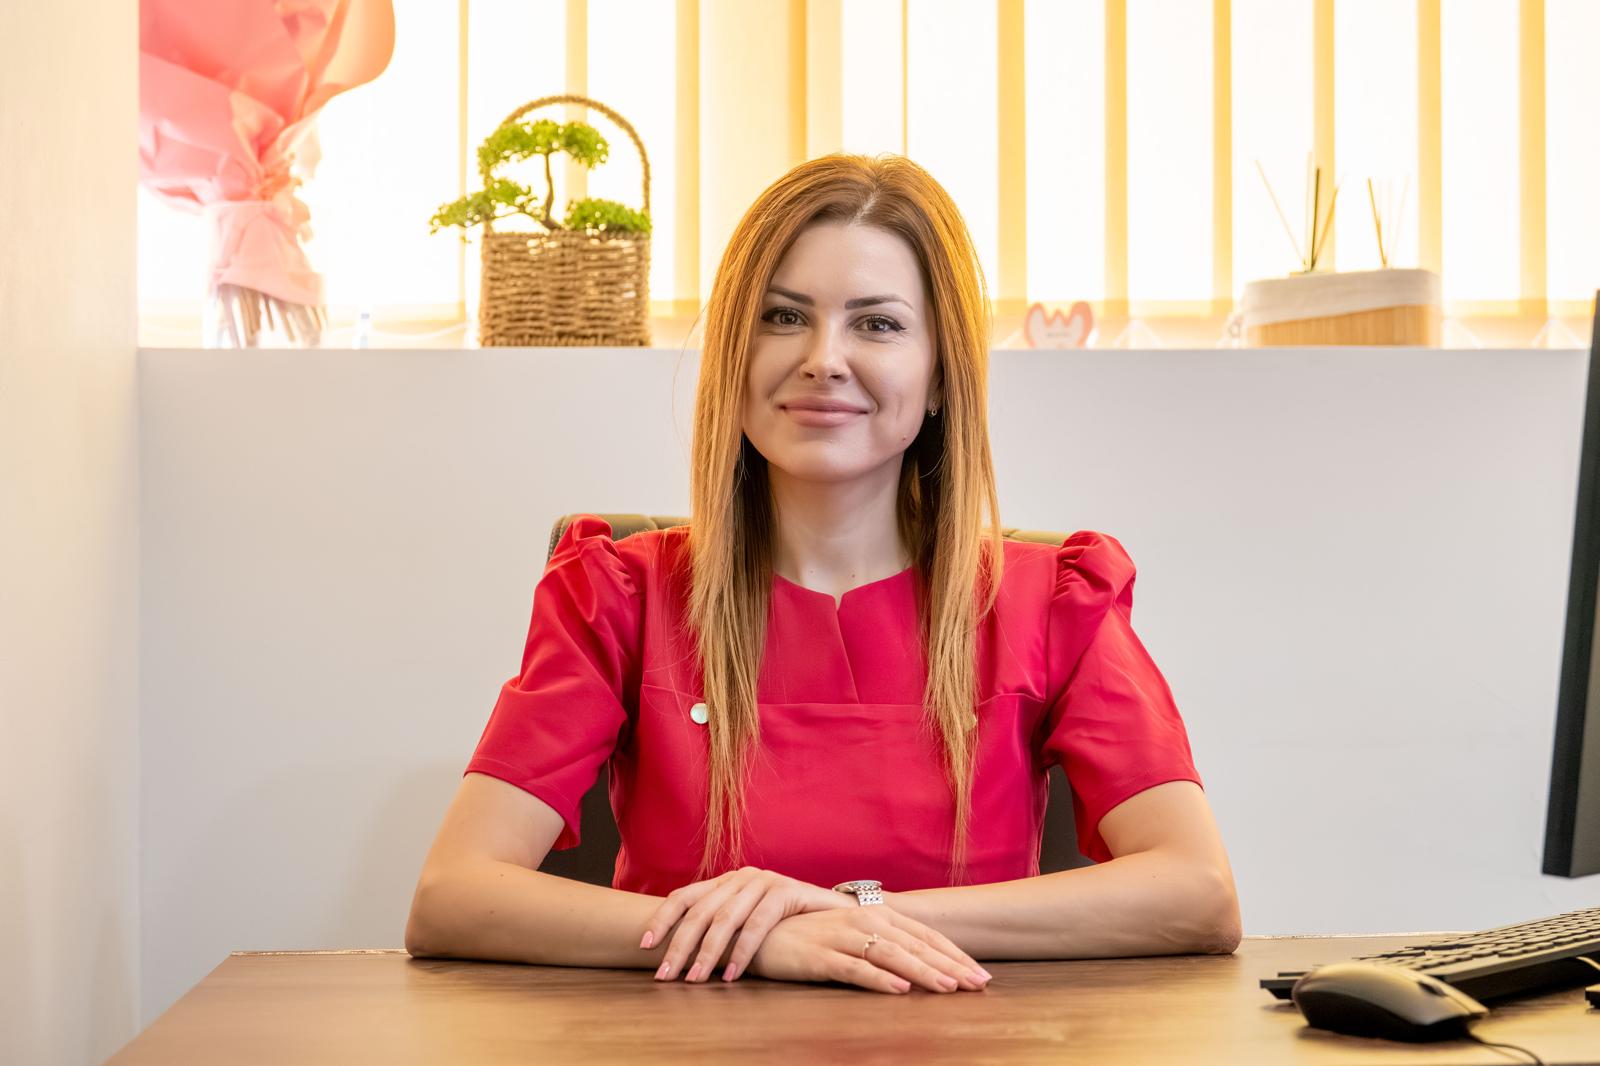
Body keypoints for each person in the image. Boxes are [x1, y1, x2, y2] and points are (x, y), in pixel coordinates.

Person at [404, 153, 1240, 996]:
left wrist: (850, 917)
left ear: (940, 376)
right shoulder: (618, 594)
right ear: (734, 357)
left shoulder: (1054, 603)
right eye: (782, 316)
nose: (823, 359)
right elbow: (454, 895)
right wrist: (761, 941)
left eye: (876, 324)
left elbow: (1196, 892)